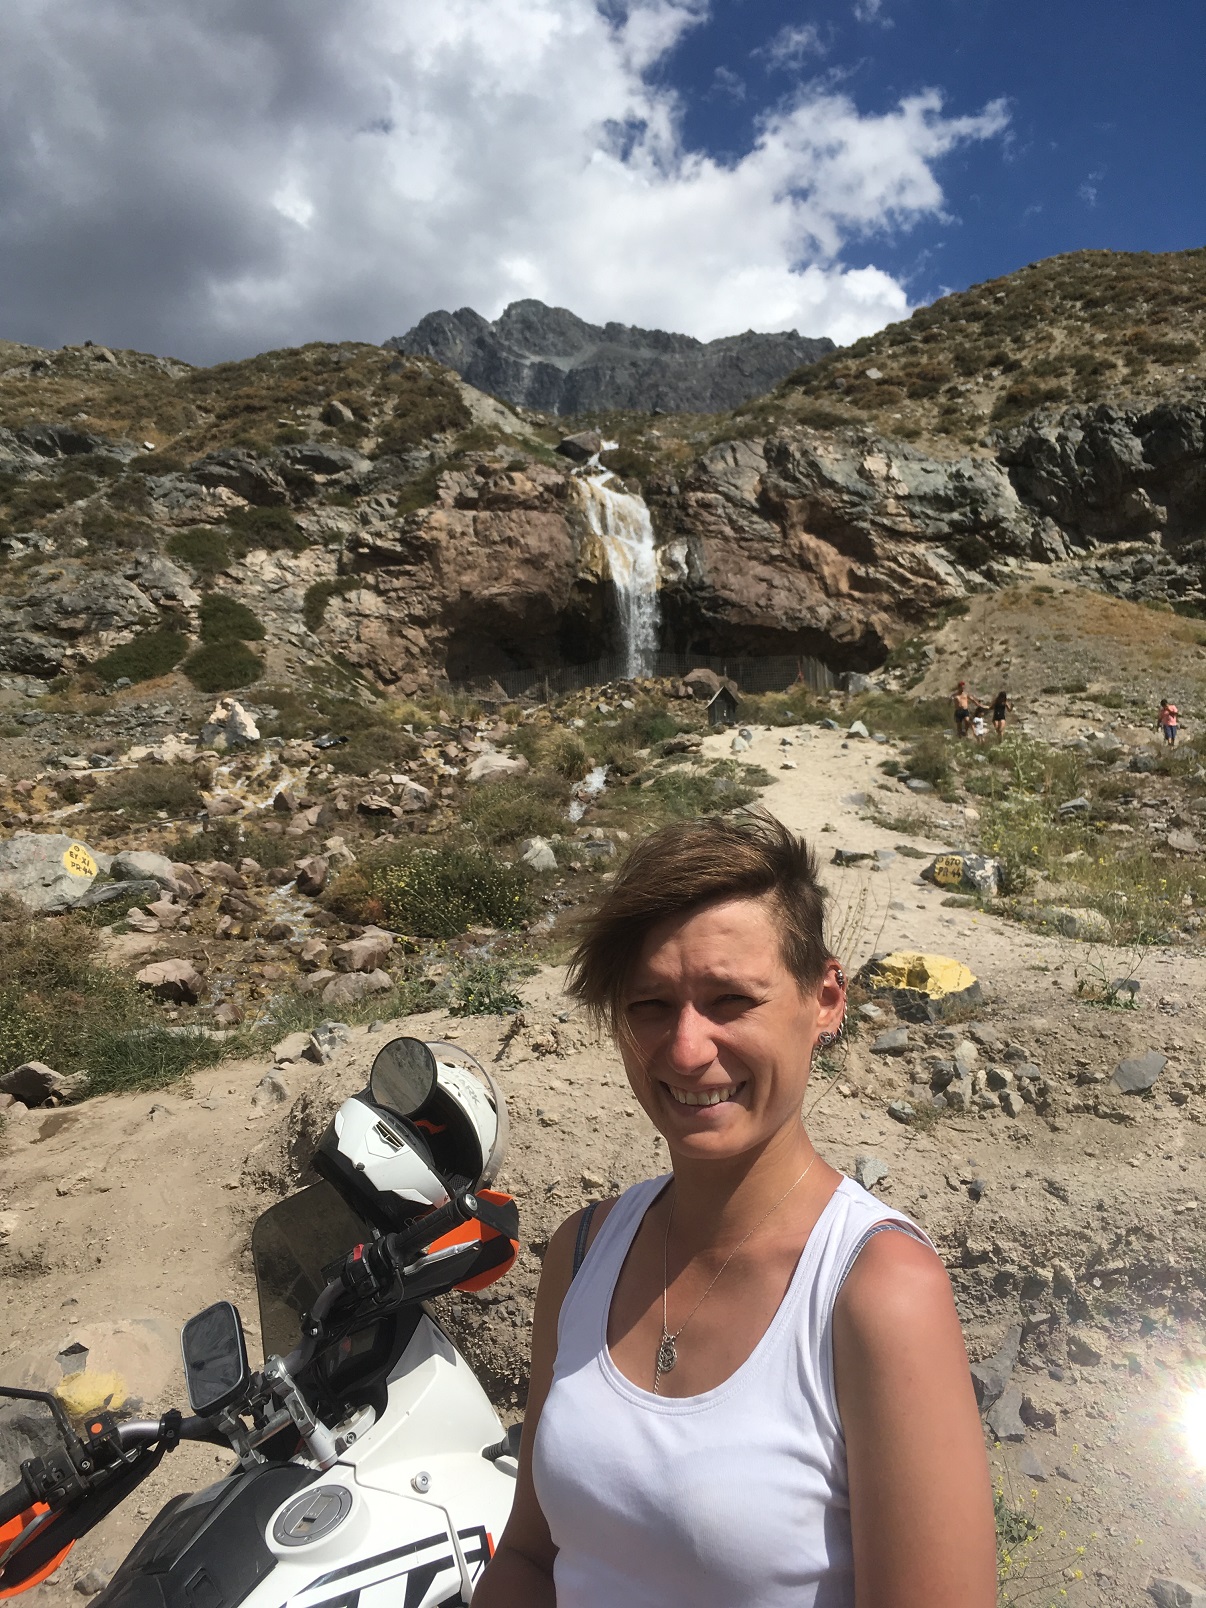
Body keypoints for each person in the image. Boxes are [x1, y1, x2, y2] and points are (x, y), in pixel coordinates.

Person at [475, 813, 996, 1608]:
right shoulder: (582, 1253)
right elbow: (529, 1558)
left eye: (731, 1000)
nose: (687, 1051)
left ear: (825, 1000)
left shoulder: (877, 1291)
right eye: (650, 1005)